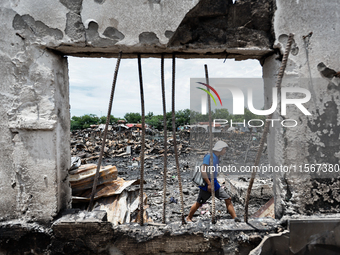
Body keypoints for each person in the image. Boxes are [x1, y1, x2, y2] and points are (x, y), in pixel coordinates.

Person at [186, 140, 241, 222]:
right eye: (224, 149)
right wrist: (208, 184)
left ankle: (235, 217)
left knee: (228, 198)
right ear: (220, 149)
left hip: (214, 184)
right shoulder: (209, 156)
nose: (225, 151)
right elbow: (203, 171)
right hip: (206, 185)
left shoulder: (216, 157)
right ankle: (188, 218)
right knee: (199, 202)